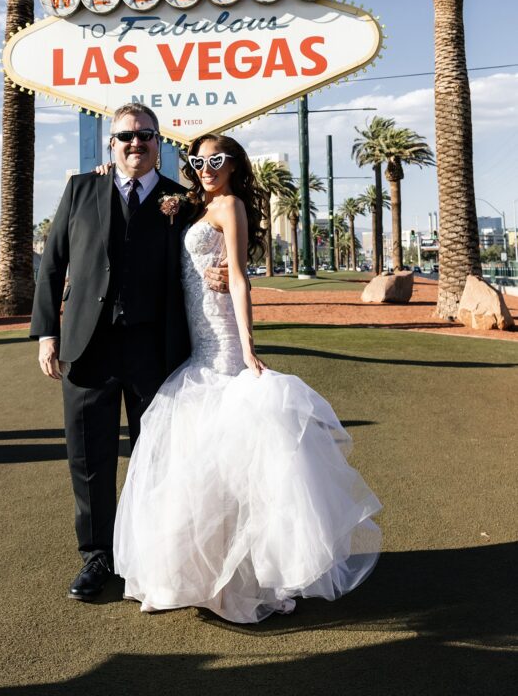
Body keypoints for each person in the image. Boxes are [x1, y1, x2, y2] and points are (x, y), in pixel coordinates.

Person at [113, 133, 381, 623]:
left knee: (228, 462)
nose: (206, 167)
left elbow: (236, 275)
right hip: (196, 340)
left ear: (234, 164)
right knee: (200, 464)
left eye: (216, 160)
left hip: (222, 345)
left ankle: (245, 580)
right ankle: (190, 574)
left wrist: (249, 345)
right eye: (198, 160)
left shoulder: (230, 204)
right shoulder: (194, 204)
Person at [31, 103, 226, 602]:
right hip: (86, 348)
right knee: (89, 457)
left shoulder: (180, 201)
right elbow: (52, 265)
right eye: (125, 137)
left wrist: (223, 271)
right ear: (111, 144)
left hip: (153, 351)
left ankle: (148, 557)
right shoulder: (81, 188)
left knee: (153, 457)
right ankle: (97, 558)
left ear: (159, 143)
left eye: (145, 136)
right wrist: (46, 334)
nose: (135, 143)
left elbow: (218, 236)